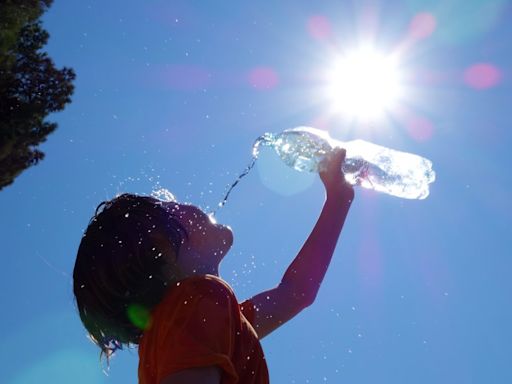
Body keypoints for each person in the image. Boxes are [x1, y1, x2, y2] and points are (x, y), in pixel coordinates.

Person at [73, 148, 354, 383]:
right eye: (169, 206)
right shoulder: (197, 299)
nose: (184, 204)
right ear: (160, 247)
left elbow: (296, 292)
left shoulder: (199, 321)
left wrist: (339, 199)